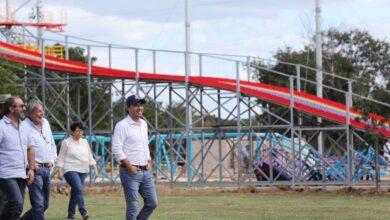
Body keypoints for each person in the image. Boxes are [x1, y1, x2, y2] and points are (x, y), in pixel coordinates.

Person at [112, 95, 158, 220]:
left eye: (141, 105)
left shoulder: (143, 124)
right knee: (133, 206)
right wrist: (129, 166)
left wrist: (148, 160)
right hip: (130, 172)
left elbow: (145, 144)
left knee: (152, 203)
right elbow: (116, 148)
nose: (140, 108)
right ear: (128, 107)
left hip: (145, 171)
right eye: (136, 105)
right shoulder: (122, 125)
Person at [21, 99, 57, 220]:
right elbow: (20, 148)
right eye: (38, 112)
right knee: (38, 205)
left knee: (44, 204)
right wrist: (30, 164)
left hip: (47, 168)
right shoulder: (23, 126)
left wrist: (52, 159)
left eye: (42, 111)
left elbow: (51, 143)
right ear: (30, 113)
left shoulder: (46, 122)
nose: (42, 114)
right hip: (34, 170)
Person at [0, 96, 35, 220]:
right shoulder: (1, 126)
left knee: (18, 207)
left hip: (21, 173)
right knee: (16, 203)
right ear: (11, 108)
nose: (24, 108)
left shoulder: (25, 126)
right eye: (21, 106)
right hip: (6, 173)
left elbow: (30, 148)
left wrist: (31, 169)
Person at [57, 122, 97, 220]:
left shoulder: (85, 142)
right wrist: (59, 171)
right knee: (79, 188)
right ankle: (83, 211)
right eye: (78, 131)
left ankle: (70, 214)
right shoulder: (66, 142)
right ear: (73, 131)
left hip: (83, 170)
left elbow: (90, 156)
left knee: (76, 191)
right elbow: (61, 158)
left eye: (81, 131)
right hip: (70, 170)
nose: (80, 133)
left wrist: (95, 168)